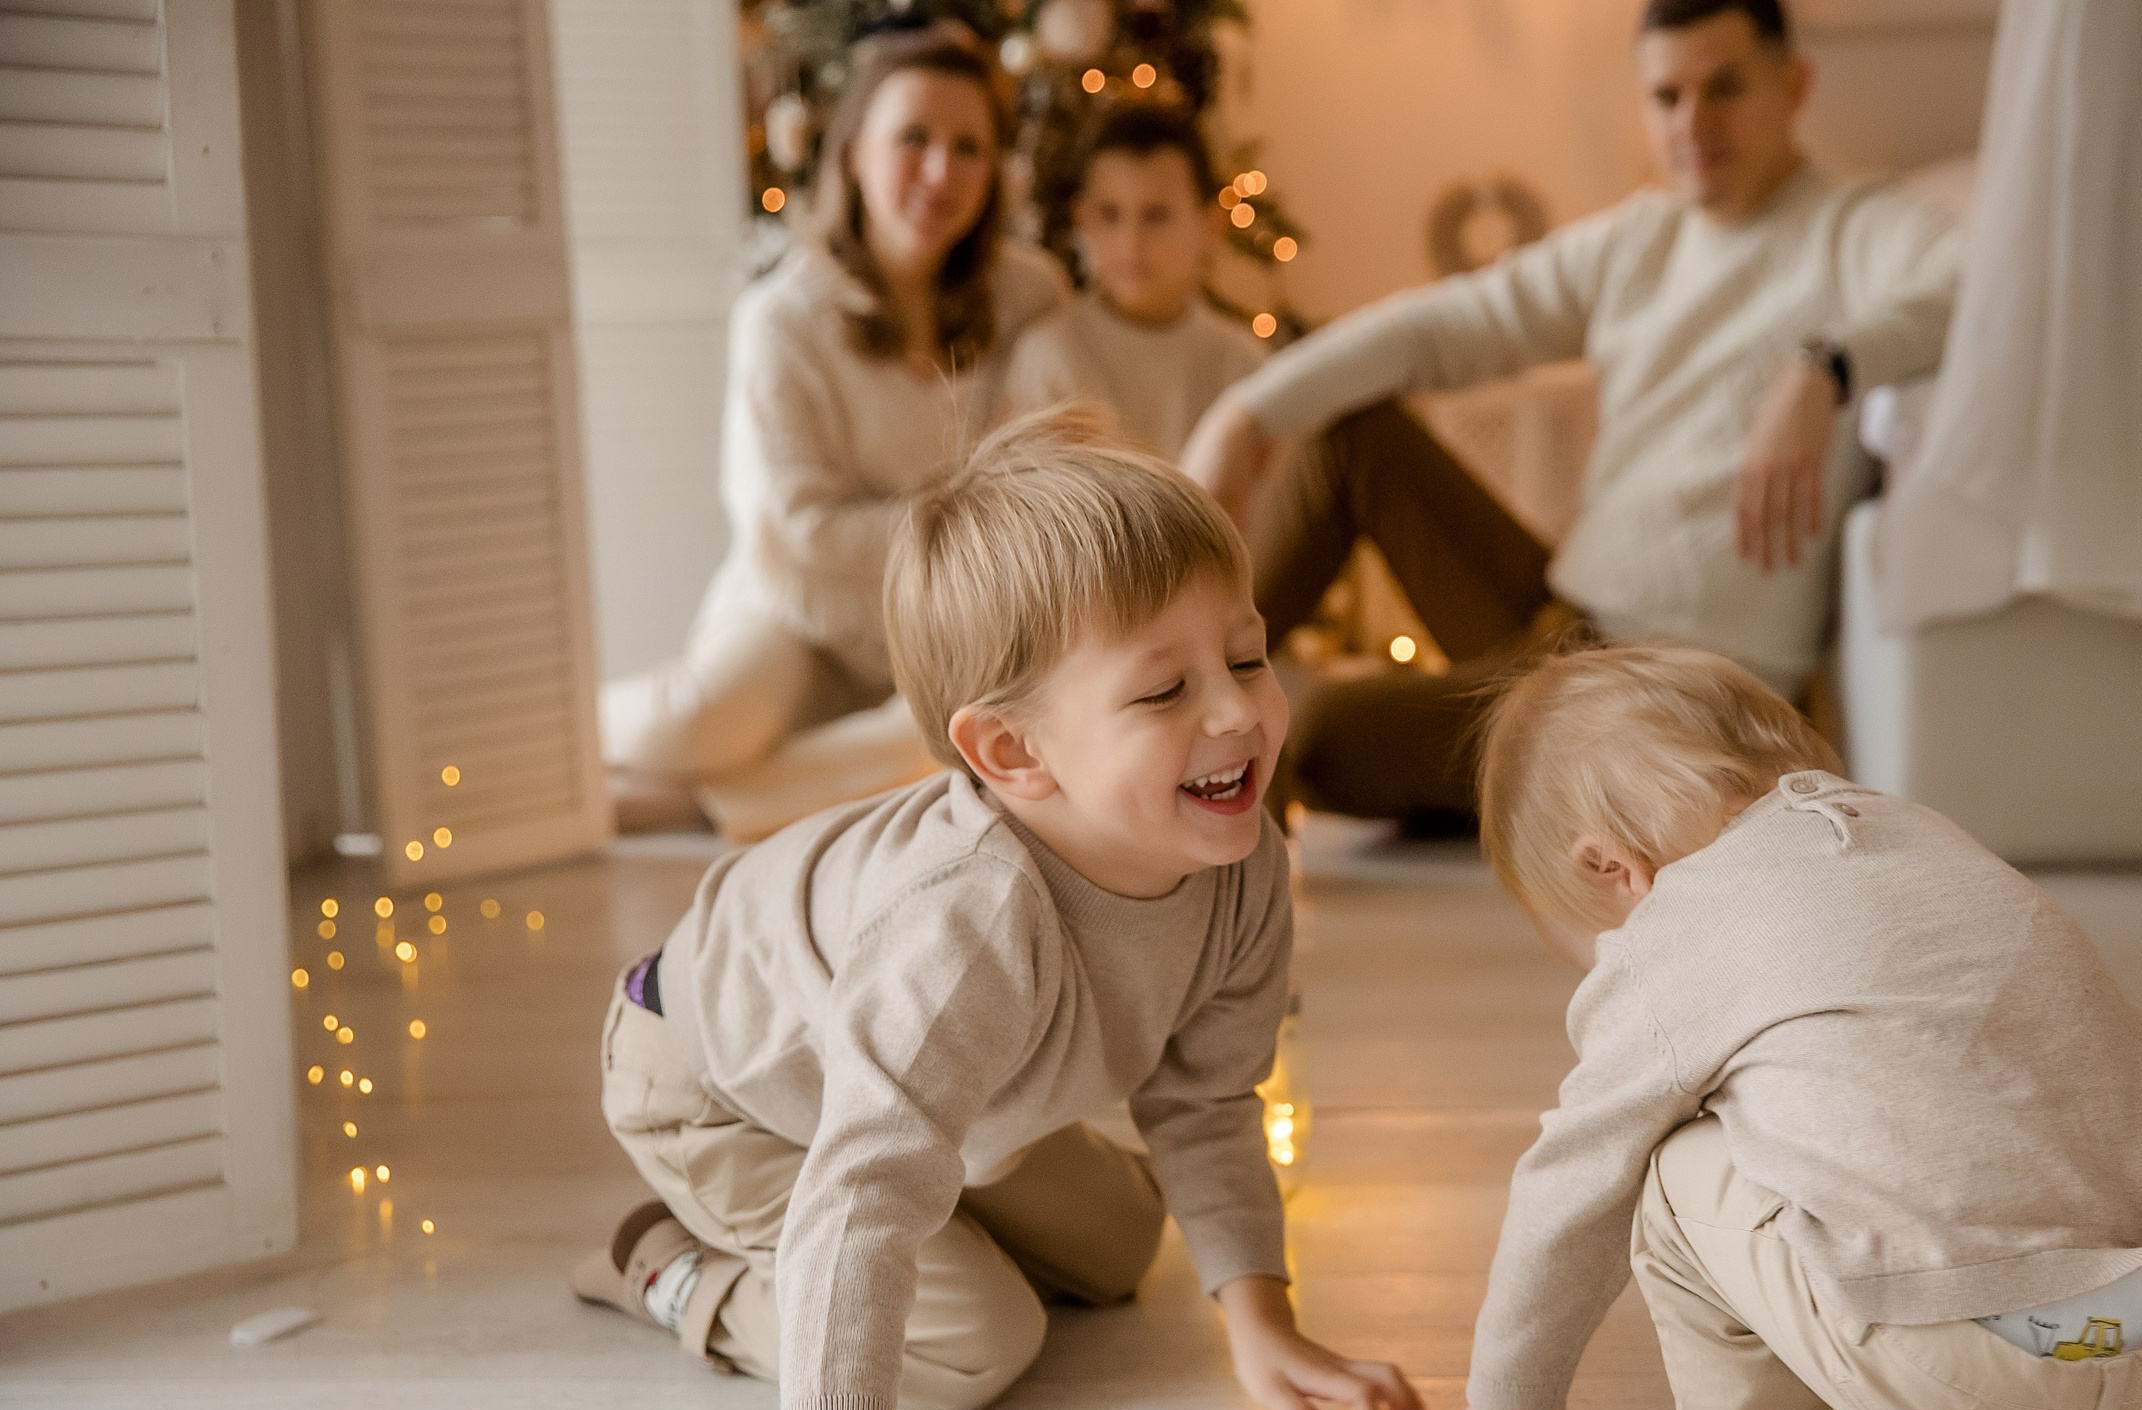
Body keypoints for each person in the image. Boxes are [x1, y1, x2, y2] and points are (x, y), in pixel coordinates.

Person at [571, 411, 1425, 1410]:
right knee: (979, 1344)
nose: (1238, 714)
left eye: (1248, 656)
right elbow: (862, 1202)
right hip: (724, 1087)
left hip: (918, 1088)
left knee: (1121, 1246)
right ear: (1011, 752)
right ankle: (667, 1263)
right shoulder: (965, 927)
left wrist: (1262, 1320)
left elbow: (1202, 1093)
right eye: (1162, 689)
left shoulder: (1239, 855)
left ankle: (937, 1176)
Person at [1396, 645, 2142, 1410]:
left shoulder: (1675, 926)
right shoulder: (1919, 835)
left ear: (1610, 867)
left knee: (1668, 1162)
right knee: (2005, 1087)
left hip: (1988, 1373)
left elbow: (1569, 1183)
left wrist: (1506, 1398)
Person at [1180, 0, 1962, 824]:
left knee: (1312, 735)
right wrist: (1246, 412)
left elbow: (1974, 283)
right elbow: (1441, 325)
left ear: (1794, 85)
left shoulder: (1857, 230)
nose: (1694, 121)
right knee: (1352, 439)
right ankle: (1171, 689)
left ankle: (1202, 745)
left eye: (1725, 88)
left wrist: (1825, 367)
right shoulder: (1644, 241)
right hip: (1564, 625)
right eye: (1667, 96)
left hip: (1670, 697)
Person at [600, 23, 1068, 841]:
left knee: (960, 735)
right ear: (853, 151)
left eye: (969, 148)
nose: (939, 171)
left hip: (949, 622)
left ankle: (697, 808)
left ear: (996, 172)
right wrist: (965, 525)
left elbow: (1054, 462)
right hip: (801, 610)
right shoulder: (780, 318)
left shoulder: (1032, 296)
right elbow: (797, 525)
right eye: (912, 138)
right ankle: (546, 750)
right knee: (697, 723)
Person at [1002, 103, 1267, 460]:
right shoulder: (1049, 355)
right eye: (1110, 215)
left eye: (1156, 216)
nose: (1132, 242)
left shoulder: (1241, 364)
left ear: (1210, 226)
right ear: (1082, 219)